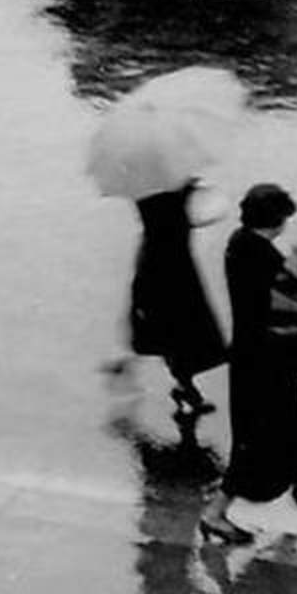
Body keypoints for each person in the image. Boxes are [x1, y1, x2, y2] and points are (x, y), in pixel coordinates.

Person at [201, 183, 297, 545]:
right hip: (264, 360)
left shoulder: (242, 244)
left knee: (284, 421)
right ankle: (216, 513)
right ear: (278, 219)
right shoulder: (261, 257)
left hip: (259, 356)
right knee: (257, 436)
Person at [129, 179, 226, 418]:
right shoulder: (163, 195)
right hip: (171, 267)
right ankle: (186, 386)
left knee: (174, 332)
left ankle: (185, 385)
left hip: (167, 265)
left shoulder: (145, 191)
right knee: (179, 330)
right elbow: (179, 219)